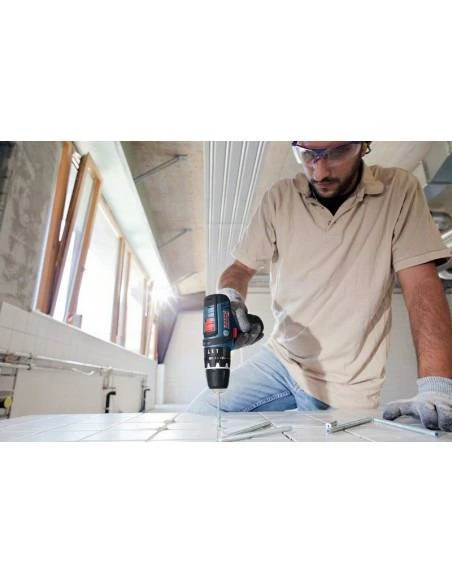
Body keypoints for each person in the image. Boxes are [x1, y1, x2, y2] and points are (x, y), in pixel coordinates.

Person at [188, 141, 452, 431]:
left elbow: (421, 286)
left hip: (348, 383)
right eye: (308, 153)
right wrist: (230, 296)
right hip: (282, 359)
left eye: (337, 152)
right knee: (199, 418)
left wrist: (436, 386)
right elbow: (240, 268)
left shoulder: (397, 190)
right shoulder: (280, 198)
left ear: (363, 145)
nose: (320, 171)